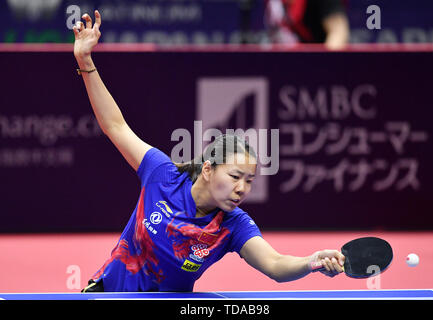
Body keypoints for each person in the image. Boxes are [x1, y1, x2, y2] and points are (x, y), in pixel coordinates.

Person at [73, 10, 345, 292]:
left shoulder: (232, 226)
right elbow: (115, 126)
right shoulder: (162, 174)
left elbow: (275, 265)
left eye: (249, 181)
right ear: (208, 169)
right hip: (108, 296)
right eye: (236, 176)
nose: (242, 188)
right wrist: (85, 61)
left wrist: (311, 262)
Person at [264, 0, 350, 50]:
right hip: (280, 65)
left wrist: (323, 64)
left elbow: (338, 33)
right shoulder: (273, 4)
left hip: (313, 67)